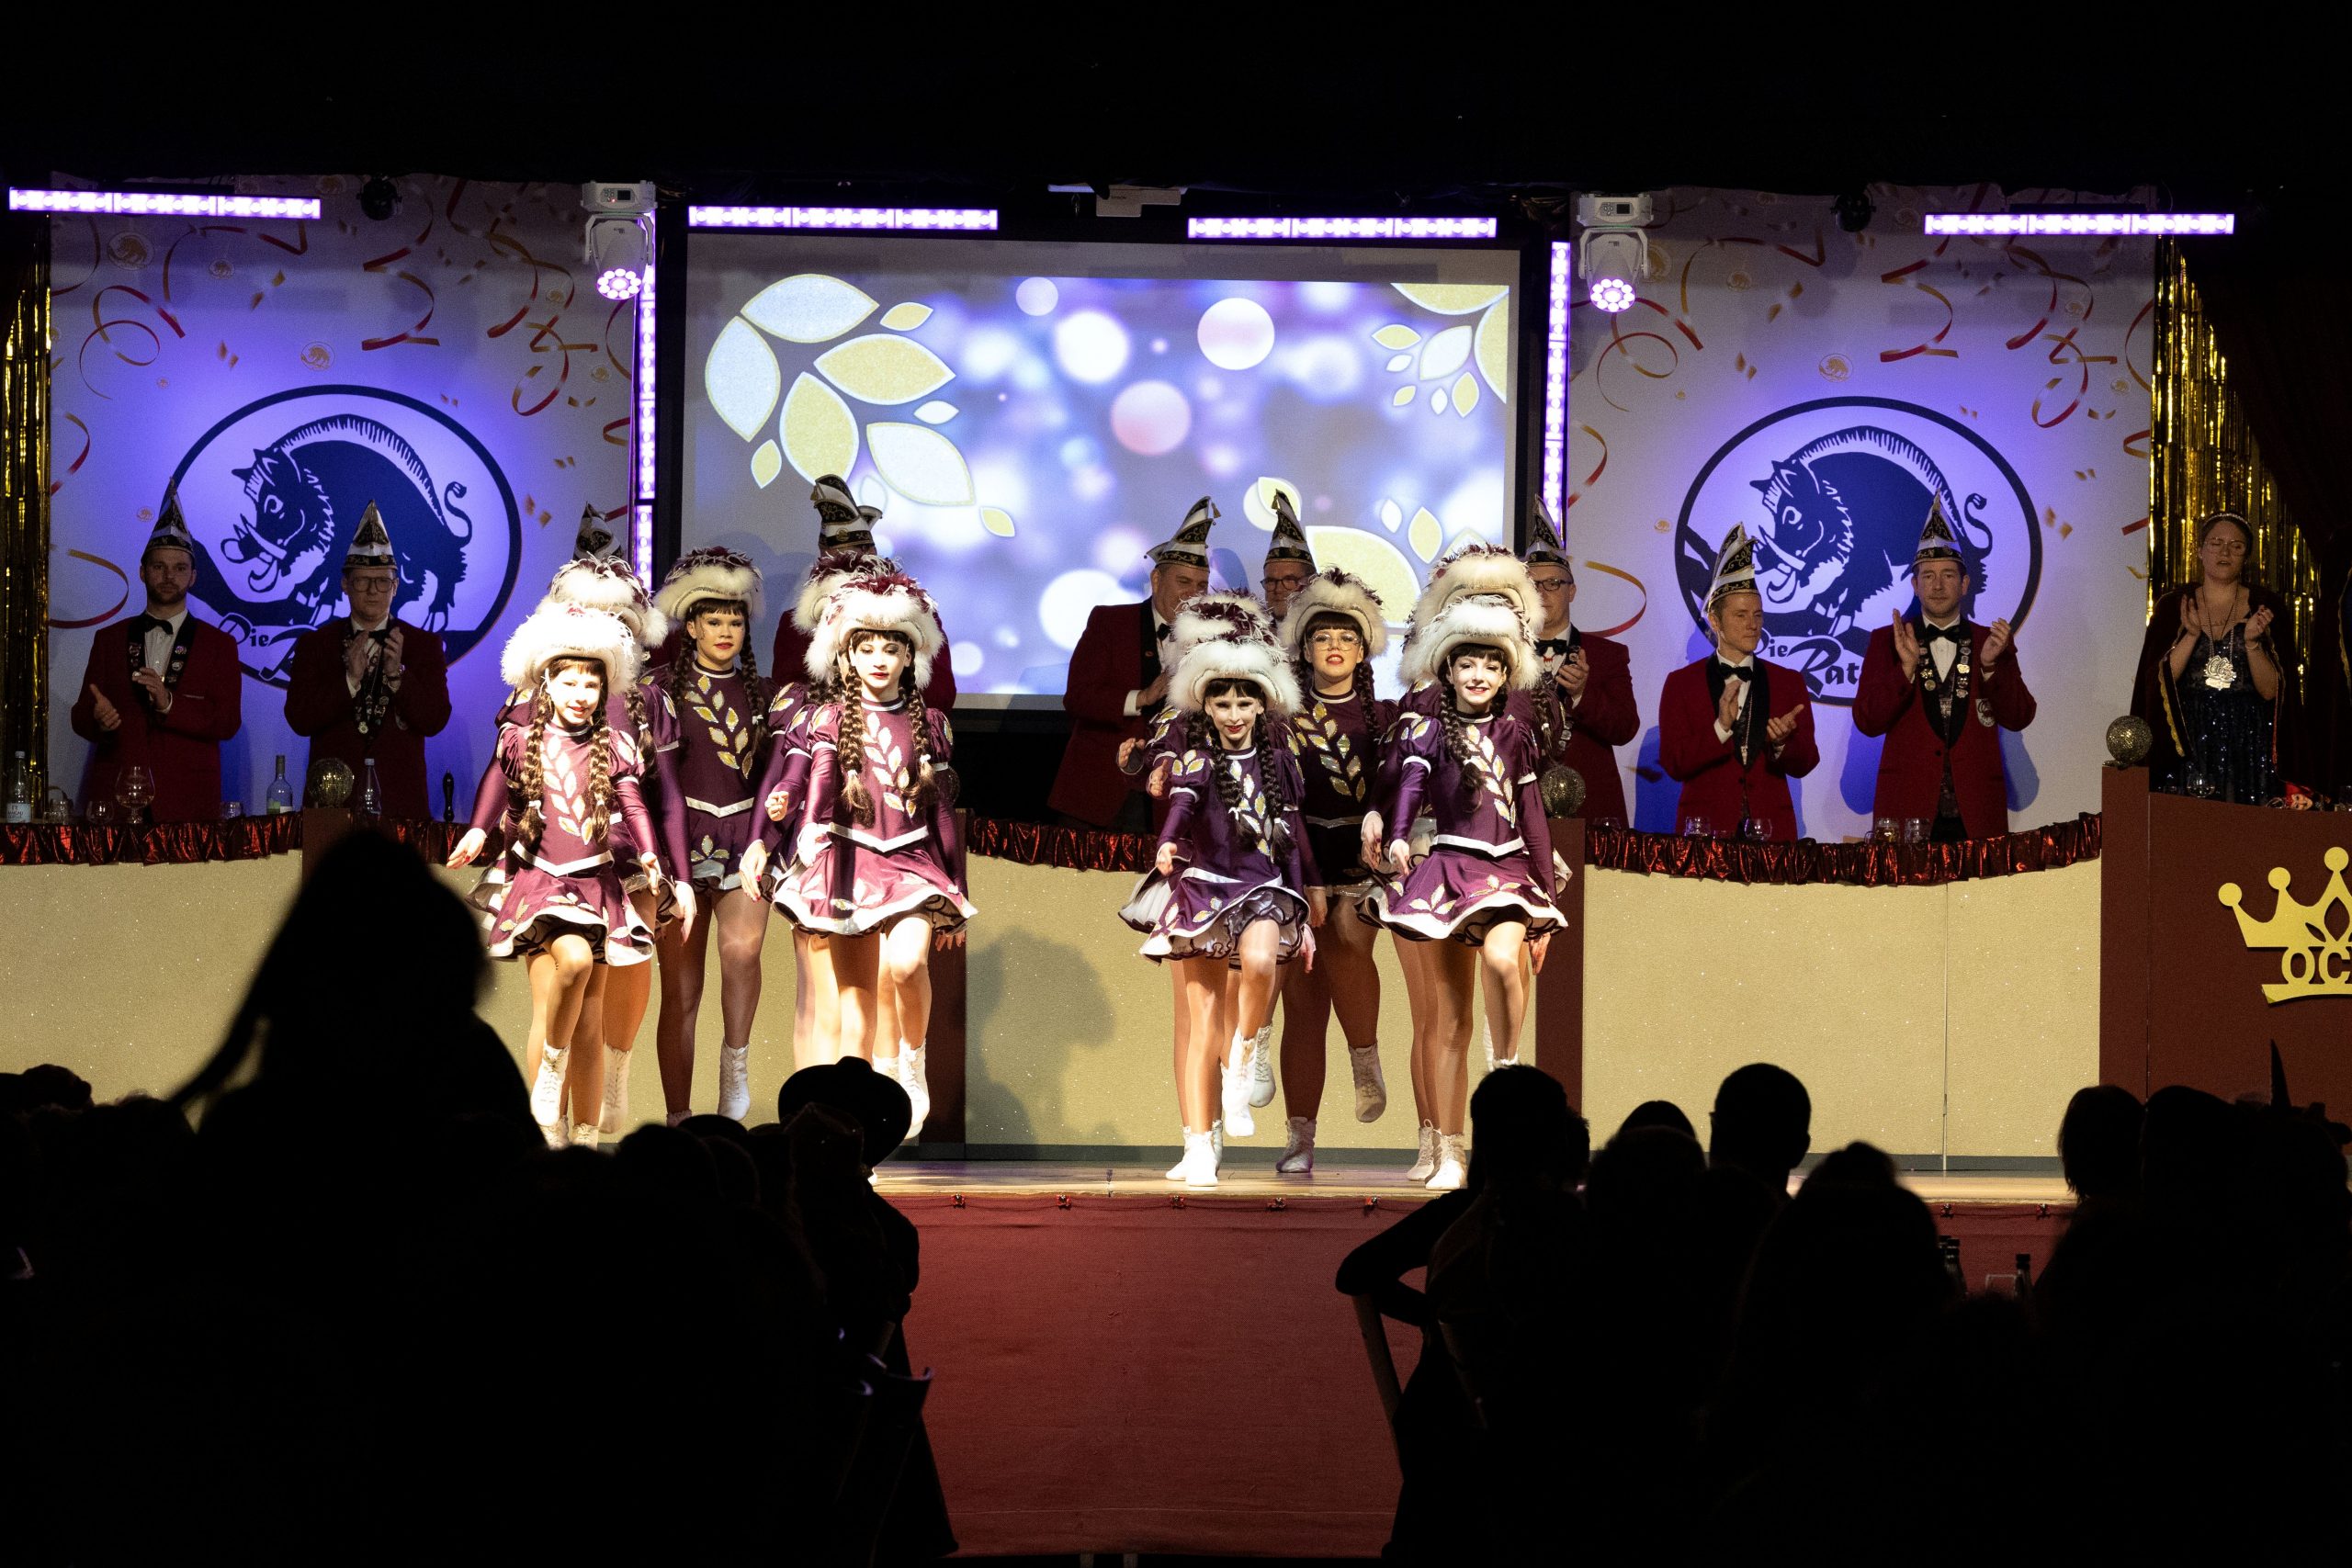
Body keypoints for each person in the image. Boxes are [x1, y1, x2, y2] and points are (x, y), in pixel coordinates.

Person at [1365, 566, 1564, 1190]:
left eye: (1490, 665)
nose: (1478, 674)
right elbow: (1408, 786)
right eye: (1467, 664)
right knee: (1447, 1018)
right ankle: (1450, 1149)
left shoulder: (1516, 733)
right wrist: (1398, 834)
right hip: (1447, 870)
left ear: (1506, 673)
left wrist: (1547, 897)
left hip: (1506, 870)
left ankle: (1505, 1066)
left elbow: (1532, 814)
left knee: (1504, 960)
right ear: (1448, 669)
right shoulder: (1427, 726)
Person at [448, 603, 663, 1147]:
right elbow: (497, 782)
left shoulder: (613, 746)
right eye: (569, 682)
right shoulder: (522, 740)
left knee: (589, 1020)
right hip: (541, 882)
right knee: (565, 976)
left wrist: (650, 854)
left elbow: (634, 804)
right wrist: (477, 831)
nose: (580, 694)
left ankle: (582, 1141)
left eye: (591, 684)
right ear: (545, 683)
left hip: (597, 885)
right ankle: (548, 1075)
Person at [769, 566, 971, 1134]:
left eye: (891, 649)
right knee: (855, 1006)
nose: (879, 659)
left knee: (906, 963)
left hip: (911, 862)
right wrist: (808, 825)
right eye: (867, 649)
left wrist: (956, 886)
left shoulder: (931, 724)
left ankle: (911, 1059)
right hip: (849, 864)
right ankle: (857, 1133)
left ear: (910, 657)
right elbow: (820, 777)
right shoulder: (830, 718)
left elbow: (941, 813)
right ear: (847, 658)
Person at [1122, 612, 1319, 1186]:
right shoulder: (1186, 743)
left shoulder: (1279, 756)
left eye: (1244, 702)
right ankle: (1199, 1143)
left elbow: (1290, 833)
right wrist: (1162, 834)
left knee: (1258, 967)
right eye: (1222, 701)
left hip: (1261, 889)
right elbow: (1170, 794)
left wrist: (1304, 904)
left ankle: (1246, 1055)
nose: (1234, 712)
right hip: (1200, 885)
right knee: (1197, 1020)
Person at [1269, 567, 1395, 1172]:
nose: (1335, 646)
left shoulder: (1385, 715)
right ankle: (1300, 1136)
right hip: (1299, 861)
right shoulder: (1279, 715)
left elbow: (1401, 786)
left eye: (1347, 636)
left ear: (1364, 649)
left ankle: (1365, 1058)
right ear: (1305, 648)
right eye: (1322, 637)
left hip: (1362, 862)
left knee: (1346, 936)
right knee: (1303, 999)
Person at [646, 546, 774, 1125]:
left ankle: (736, 1063)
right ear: (691, 626)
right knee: (681, 989)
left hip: (745, 839)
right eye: (714, 620)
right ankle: (678, 1116)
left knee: (742, 950)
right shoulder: (658, 692)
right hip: (679, 843)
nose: (726, 631)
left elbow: (779, 775)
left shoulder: (766, 693)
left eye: (735, 621)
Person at [1852, 501, 2036, 840]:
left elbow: (2020, 716)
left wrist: (1991, 666)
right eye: (1928, 576)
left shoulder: (1991, 641)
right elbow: (1867, 721)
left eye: (1948, 575)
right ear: (1915, 585)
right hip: (1907, 813)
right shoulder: (1886, 641)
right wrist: (1905, 669)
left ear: (1965, 584)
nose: (1937, 586)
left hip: (1977, 815)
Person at [68, 490, 243, 821]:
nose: (168, 576)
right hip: (116, 800)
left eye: (179, 568)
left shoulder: (219, 645)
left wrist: (169, 703)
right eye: (159, 566)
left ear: (193, 576)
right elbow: (80, 717)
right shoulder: (108, 639)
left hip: (187, 804)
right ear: (142, 572)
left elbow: (227, 722)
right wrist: (97, 719)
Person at [1049, 496, 1216, 832]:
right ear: (1156, 580)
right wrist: (1142, 697)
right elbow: (1078, 698)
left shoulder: (1214, 638)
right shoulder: (1110, 623)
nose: (1193, 594)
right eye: (1183, 582)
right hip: (1102, 791)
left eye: (1201, 585)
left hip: (1174, 798)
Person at [281, 502, 452, 820]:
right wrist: (348, 681)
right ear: (345, 585)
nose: (373, 591)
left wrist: (398, 677)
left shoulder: (423, 645)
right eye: (362, 580)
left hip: (401, 807)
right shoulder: (316, 644)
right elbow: (299, 719)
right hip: (331, 808)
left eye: (382, 581)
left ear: (395, 587)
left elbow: (435, 721)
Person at [1657, 525, 1817, 840]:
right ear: (1715, 621)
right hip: (1705, 836)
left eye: (1758, 615)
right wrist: (1720, 728)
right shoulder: (1681, 684)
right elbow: (1674, 764)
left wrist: (1782, 743)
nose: (1753, 625)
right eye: (1741, 615)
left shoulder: (1788, 681)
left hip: (1772, 835)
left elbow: (1807, 761)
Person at [2132, 510, 2299, 805]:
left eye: (2236, 546)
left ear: (2246, 556)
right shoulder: (2174, 606)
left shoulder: (2266, 607)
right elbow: (2158, 684)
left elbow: (2271, 692)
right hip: (2188, 742)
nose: (2225, 552)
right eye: (2216, 543)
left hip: (2248, 744)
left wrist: (2252, 643)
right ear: (2200, 551)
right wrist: (2191, 636)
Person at [773, 475, 957, 712]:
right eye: (838, 555)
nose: (852, 564)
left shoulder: (917, 618)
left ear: (874, 552)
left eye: (861, 552)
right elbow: (788, 703)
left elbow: (940, 696)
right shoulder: (797, 626)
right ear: (822, 556)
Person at [1523, 498, 1639, 828]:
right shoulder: (1505, 656)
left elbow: (1625, 729)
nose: (1542, 593)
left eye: (1553, 583)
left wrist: (1582, 694)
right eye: (1533, 585)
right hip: (1522, 810)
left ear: (1571, 591)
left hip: (1591, 810)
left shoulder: (1607, 654)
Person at [1260, 490, 1316, 623]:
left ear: (1312, 583)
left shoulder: (1333, 632)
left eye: (1290, 580)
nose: (1278, 589)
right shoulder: (1249, 635)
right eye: (1270, 581)